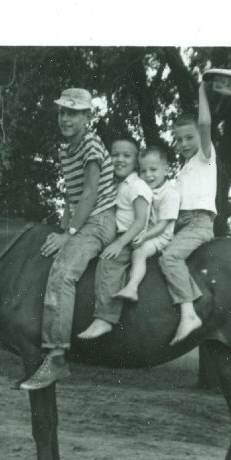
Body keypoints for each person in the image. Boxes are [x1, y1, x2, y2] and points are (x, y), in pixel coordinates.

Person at [20, 88, 117, 391]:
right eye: (62, 112)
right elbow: (70, 197)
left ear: (88, 117)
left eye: (73, 113)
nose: (66, 118)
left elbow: (89, 194)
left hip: (100, 220)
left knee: (63, 273)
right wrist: (63, 226)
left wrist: (68, 234)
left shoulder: (90, 144)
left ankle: (57, 354)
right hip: (81, 218)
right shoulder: (66, 149)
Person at [158, 81, 218, 345]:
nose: (183, 143)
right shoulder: (183, 170)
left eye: (189, 137)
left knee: (170, 258)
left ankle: (189, 312)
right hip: (182, 225)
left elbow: (204, 123)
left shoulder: (205, 158)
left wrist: (203, 91)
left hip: (198, 224)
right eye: (178, 139)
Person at [77, 137, 152, 339]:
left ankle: (105, 318)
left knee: (109, 262)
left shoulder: (137, 186)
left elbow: (140, 220)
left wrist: (120, 243)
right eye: (115, 154)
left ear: (136, 161)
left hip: (129, 236)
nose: (120, 159)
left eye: (126, 155)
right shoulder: (118, 185)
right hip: (116, 233)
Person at [113, 144, 180, 302]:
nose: (148, 175)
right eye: (143, 171)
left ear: (166, 170)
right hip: (149, 233)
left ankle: (132, 287)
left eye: (153, 170)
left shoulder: (170, 194)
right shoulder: (148, 190)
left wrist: (144, 236)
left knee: (139, 252)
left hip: (161, 236)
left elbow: (163, 225)